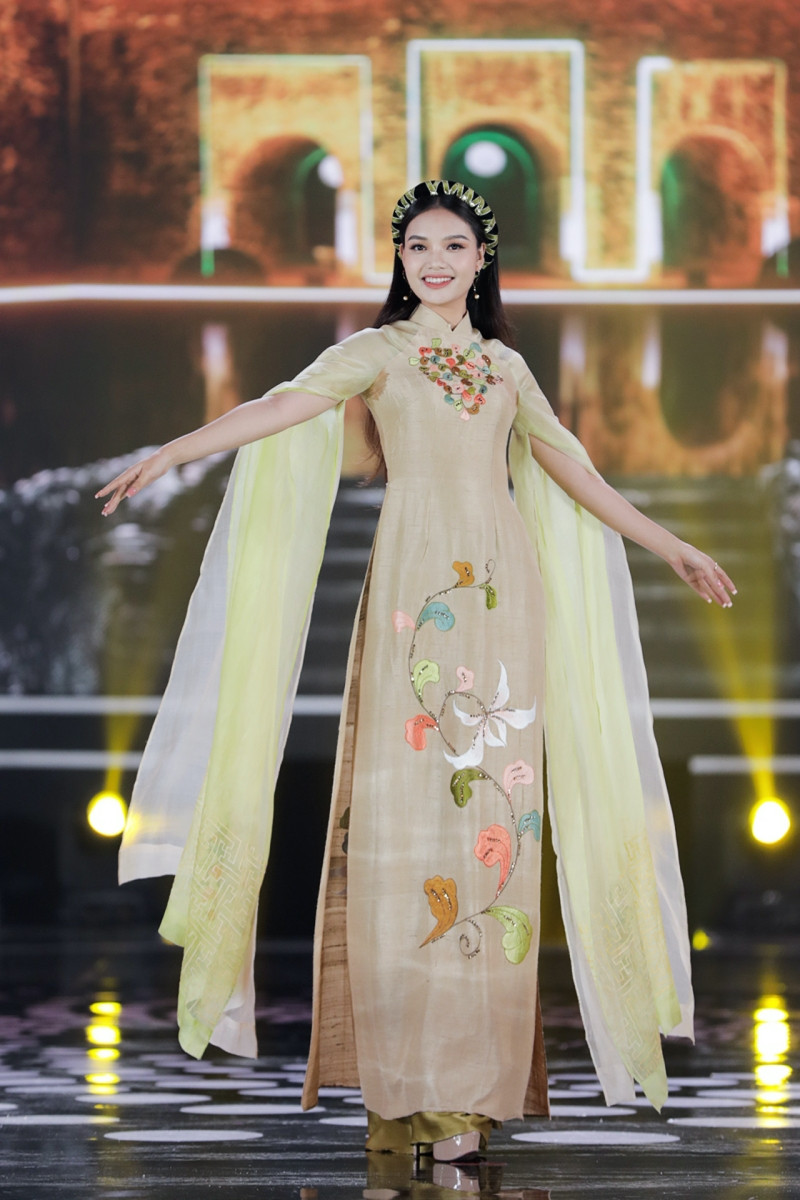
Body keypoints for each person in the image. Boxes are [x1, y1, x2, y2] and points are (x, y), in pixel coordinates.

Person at [97, 180, 735, 1164]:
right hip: (415, 600)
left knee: (494, 829)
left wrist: (672, 548)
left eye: (452, 247)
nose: (434, 262)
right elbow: (279, 407)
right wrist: (173, 452)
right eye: (417, 248)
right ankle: (404, 1092)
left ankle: (467, 1098)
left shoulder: (506, 368)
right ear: (400, 261)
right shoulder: (378, 353)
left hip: (504, 598)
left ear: (481, 261)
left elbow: (575, 475)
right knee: (402, 831)